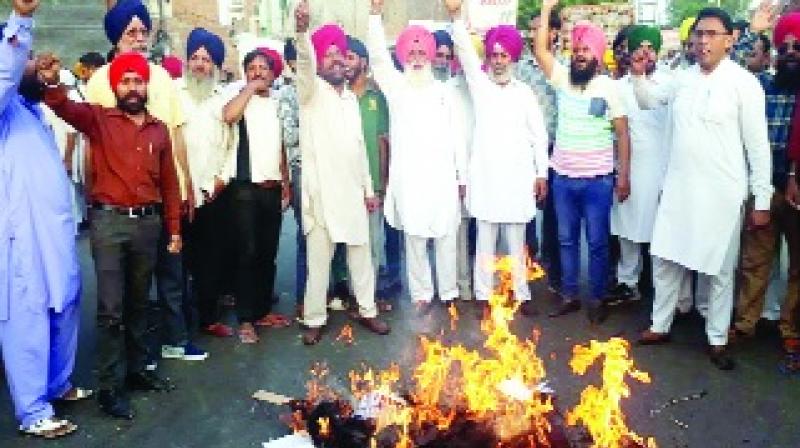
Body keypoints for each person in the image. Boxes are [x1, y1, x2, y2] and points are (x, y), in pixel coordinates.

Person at [42, 51, 182, 418]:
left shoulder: (159, 128)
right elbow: (62, 107)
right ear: (115, 86)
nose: (132, 87)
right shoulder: (98, 120)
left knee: (140, 304)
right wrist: (54, 82)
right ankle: (110, 387)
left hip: (148, 226)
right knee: (110, 310)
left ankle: (137, 372)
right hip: (109, 225)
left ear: (146, 85)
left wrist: (174, 229)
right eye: (126, 81)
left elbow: (169, 185)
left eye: (138, 81)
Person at [633, 8, 772, 371]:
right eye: (698, 34)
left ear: (730, 40)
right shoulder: (681, 79)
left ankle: (717, 339)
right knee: (665, 258)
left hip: (722, 194)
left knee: (720, 271)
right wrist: (640, 74)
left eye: (711, 34)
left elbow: (758, 147)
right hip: (679, 187)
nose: (703, 40)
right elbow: (649, 100)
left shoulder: (745, 84)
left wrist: (762, 200)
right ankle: (660, 325)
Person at [0, 0, 88, 438]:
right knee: (28, 314)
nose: (38, 64)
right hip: (20, 238)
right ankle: (33, 410)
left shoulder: (32, 110)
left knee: (66, 300)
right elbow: (7, 70)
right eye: (31, 60)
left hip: (54, 232)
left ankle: (57, 383)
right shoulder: (2, 108)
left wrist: (47, 79)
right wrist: (21, 21)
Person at [88, 0, 191, 373]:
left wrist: (186, 184)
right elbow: (94, 144)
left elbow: (175, 135)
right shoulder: (100, 82)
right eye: (131, 32)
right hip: (116, 208)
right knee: (115, 303)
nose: (139, 38)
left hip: (158, 200)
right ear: (116, 37)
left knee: (157, 282)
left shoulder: (160, 77)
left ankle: (153, 356)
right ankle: (113, 381)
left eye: (143, 31)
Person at [293, 1, 390, 345]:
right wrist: (302, 33)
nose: (335, 59)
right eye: (328, 53)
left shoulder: (350, 98)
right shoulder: (310, 92)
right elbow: (303, 63)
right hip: (320, 194)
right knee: (319, 265)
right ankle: (315, 319)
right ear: (319, 60)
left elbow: (360, 150)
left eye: (340, 53)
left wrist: (368, 189)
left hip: (352, 193)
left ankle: (368, 311)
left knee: (361, 257)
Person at [444, 0, 549, 317]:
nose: (499, 60)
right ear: (487, 58)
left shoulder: (524, 93)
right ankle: (482, 294)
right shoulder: (480, 86)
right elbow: (463, 49)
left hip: (518, 178)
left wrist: (541, 174)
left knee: (517, 241)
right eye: (494, 55)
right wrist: (455, 16)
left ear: (513, 58)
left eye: (504, 55)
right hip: (487, 177)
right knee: (485, 241)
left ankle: (521, 292)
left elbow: (538, 136)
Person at [534, 0, 631, 324]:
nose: (579, 53)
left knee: (599, 243)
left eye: (586, 49)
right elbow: (541, 53)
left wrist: (623, 177)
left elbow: (623, 134)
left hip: (598, 183)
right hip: (563, 179)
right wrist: (547, 9)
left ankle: (599, 297)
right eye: (577, 48)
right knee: (566, 240)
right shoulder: (562, 78)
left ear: (598, 56)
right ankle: (570, 295)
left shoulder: (609, 88)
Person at [367, 2, 465, 313]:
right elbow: (379, 59)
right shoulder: (396, 88)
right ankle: (422, 293)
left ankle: (448, 292)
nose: (418, 58)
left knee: (446, 236)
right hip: (409, 179)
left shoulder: (445, 92)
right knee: (415, 239)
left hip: (442, 178)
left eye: (423, 53)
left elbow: (458, 138)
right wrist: (374, 16)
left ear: (432, 56)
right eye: (413, 53)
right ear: (405, 56)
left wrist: (462, 176)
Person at [734, 12, 800, 355]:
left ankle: (791, 329)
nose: (790, 52)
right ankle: (746, 324)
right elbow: (729, 68)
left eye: (797, 46)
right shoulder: (761, 86)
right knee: (754, 262)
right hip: (764, 188)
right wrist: (751, 32)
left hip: (797, 189)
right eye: (784, 46)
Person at [221, 48, 292, 344]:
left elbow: (283, 146)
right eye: (253, 68)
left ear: (274, 74)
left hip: (271, 189)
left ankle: (263, 310)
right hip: (245, 191)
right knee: (247, 253)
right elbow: (227, 116)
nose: (259, 72)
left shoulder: (279, 104)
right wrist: (248, 88)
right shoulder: (240, 100)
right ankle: (246, 318)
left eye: (264, 68)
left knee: (267, 254)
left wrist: (286, 182)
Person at [177, 27, 231, 349]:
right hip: (180, 193)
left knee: (211, 259)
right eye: (195, 58)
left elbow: (230, 145)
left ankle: (209, 318)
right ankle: (180, 323)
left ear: (215, 66)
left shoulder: (222, 99)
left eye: (206, 60)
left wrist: (221, 179)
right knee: (178, 263)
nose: (199, 64)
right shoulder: (173, 93)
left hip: (212, 192)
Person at [608, 26, 668, 305]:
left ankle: (667, 292)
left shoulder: (670, 83)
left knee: (663, 234)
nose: (645, 54)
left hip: (665, 169)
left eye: (651, 48)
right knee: (627, 229)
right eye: (639, 48)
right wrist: (622, 172)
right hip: (630, 167)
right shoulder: (618, 87)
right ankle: (628, 283)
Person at [344, 36, 394, 311]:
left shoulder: (378, 98)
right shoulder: (338, 96)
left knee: (373, 243)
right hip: (345, 183)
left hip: (372, 183)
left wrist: (383, 184)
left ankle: (370, 297)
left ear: (363, 61)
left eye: (351, 57)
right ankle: (352, 296)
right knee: (350, 243)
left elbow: (383, 141)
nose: (345, 63)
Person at [517, 8, 562, 296]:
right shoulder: (520, 68)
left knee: (556, 217)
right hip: (527, 150)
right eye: (532, 30)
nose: (536, 34)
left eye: (541, 28)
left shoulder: (568, 66)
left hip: (559, 150)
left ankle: (555, 275)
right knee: (526, 215)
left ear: (554, 32)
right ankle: (527, 272)